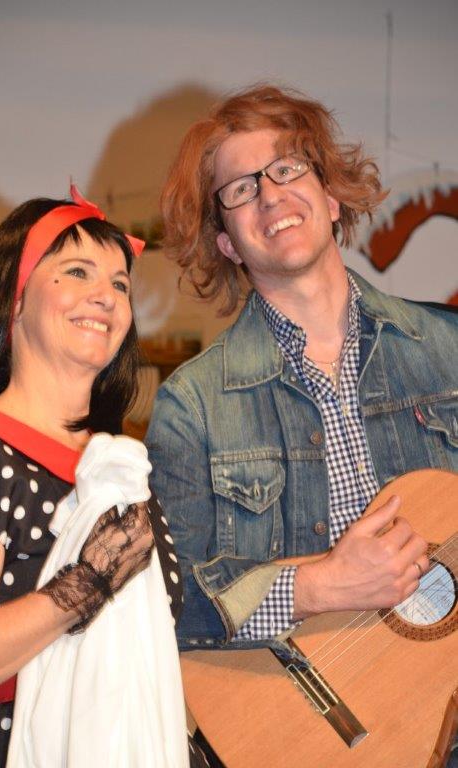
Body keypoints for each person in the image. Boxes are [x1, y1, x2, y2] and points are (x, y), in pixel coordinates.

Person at [145, 85, 458, 763]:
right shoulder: (192, 406)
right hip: (311, 738)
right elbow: (163, 606)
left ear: (331, 195)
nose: (270, 194)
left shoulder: (450, 349)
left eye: (287, 167)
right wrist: (318, 586)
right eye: (240, 188)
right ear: (226, 241)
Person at [0, 193, 208, 767]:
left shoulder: (123, 468)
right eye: (76, 272)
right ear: (15, 297)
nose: (106, 296)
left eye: (120, 284)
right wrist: (82, 588)